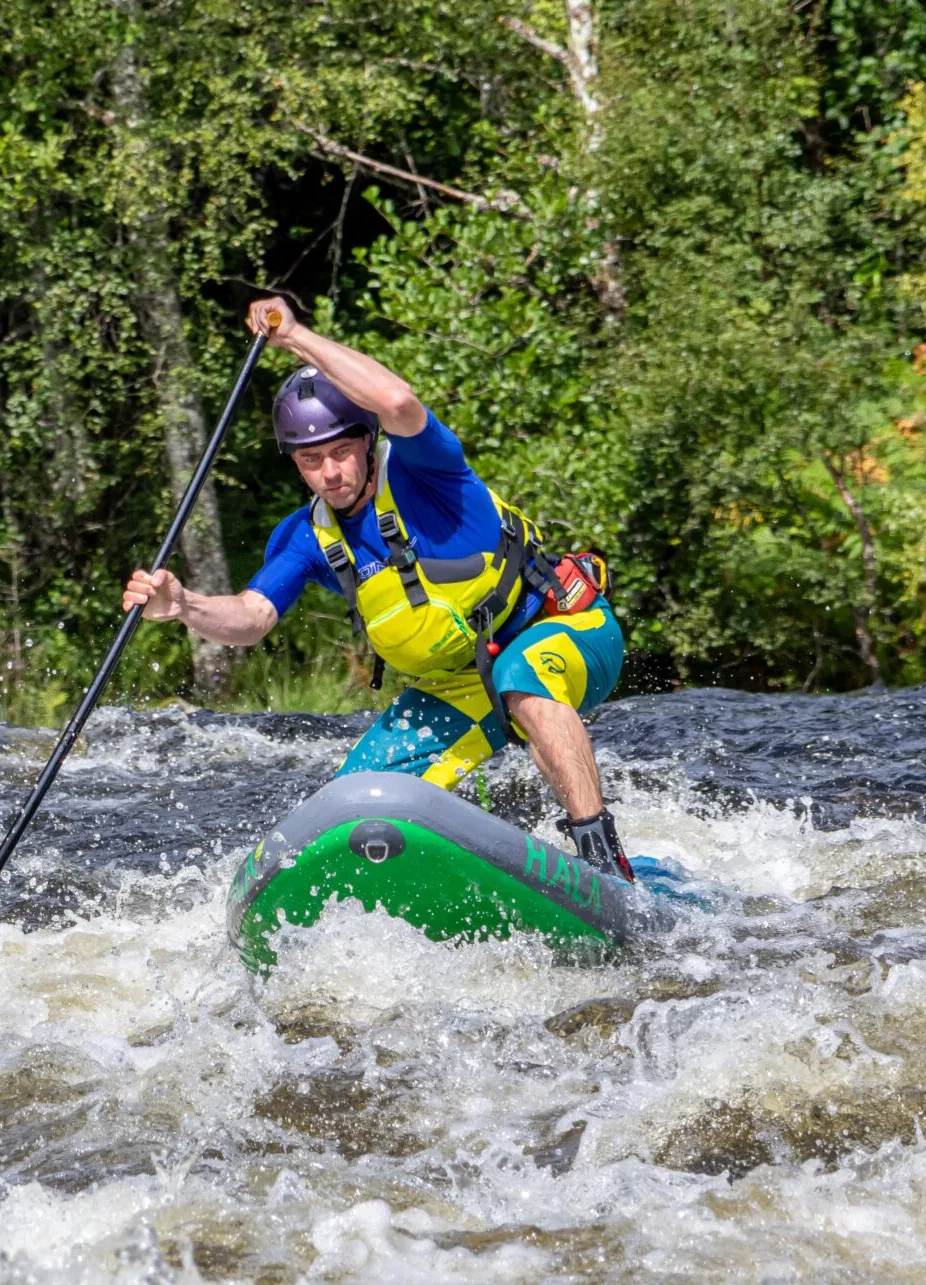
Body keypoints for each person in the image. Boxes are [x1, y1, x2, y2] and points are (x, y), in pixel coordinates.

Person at [121, 299, 638, 878]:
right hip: (460, 684)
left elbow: (396, 401)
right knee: (356, 807)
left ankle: (603, 862)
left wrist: (293, 336)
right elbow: (251, 616)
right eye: (311, 460)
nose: (331, 472)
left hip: (565, 629)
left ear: (367, 442)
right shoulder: (305, 535)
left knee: (526, 675)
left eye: (342, 451)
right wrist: (184, 606)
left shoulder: (428, 473)